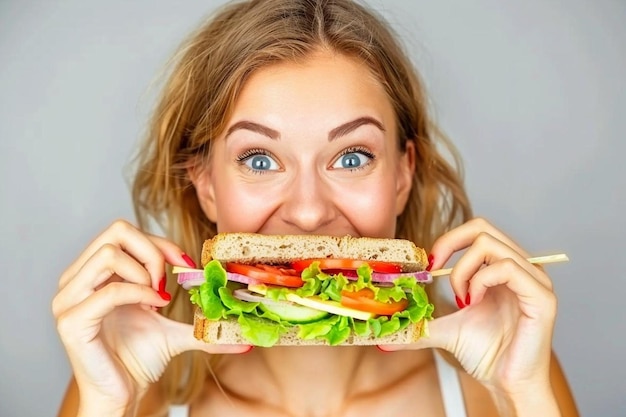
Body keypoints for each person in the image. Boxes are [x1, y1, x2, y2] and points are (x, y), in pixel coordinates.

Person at [53, 1, 579, 416]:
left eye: (352, 157)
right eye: (259, 160)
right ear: (206, 184)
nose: (307, 213)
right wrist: (105, 406)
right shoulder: (128, 400)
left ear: (402, 174)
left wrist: (524, 396)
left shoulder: (500, 385)